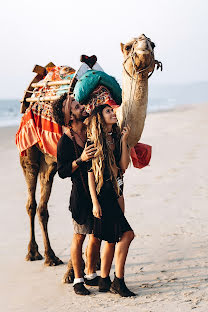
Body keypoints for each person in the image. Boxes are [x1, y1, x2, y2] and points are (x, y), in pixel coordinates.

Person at [52, 93, 101, 296]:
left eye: (76, 102)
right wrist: (80, 159)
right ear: (69, 116)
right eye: (73, 104)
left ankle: (90, 274)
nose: (78, 105)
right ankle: (78, 280)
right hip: (80, 196)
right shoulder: (65, 141)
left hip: (96, 193)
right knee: (79, 236)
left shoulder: (91, 131)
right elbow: (62, 172)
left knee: (95, 236)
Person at [87, 104, 136, 297]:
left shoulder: (115, 137)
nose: (112, 113)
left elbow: (123, 165)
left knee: (110, 238)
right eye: (108, 111)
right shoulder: (93, 141)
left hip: (116, 191)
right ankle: (119, 281)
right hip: (103, 195)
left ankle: (105, 280)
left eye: (112, 110)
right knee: (128, 235)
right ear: (99, 118)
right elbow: (90, 173)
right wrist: (94, 202)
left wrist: (123, 140)